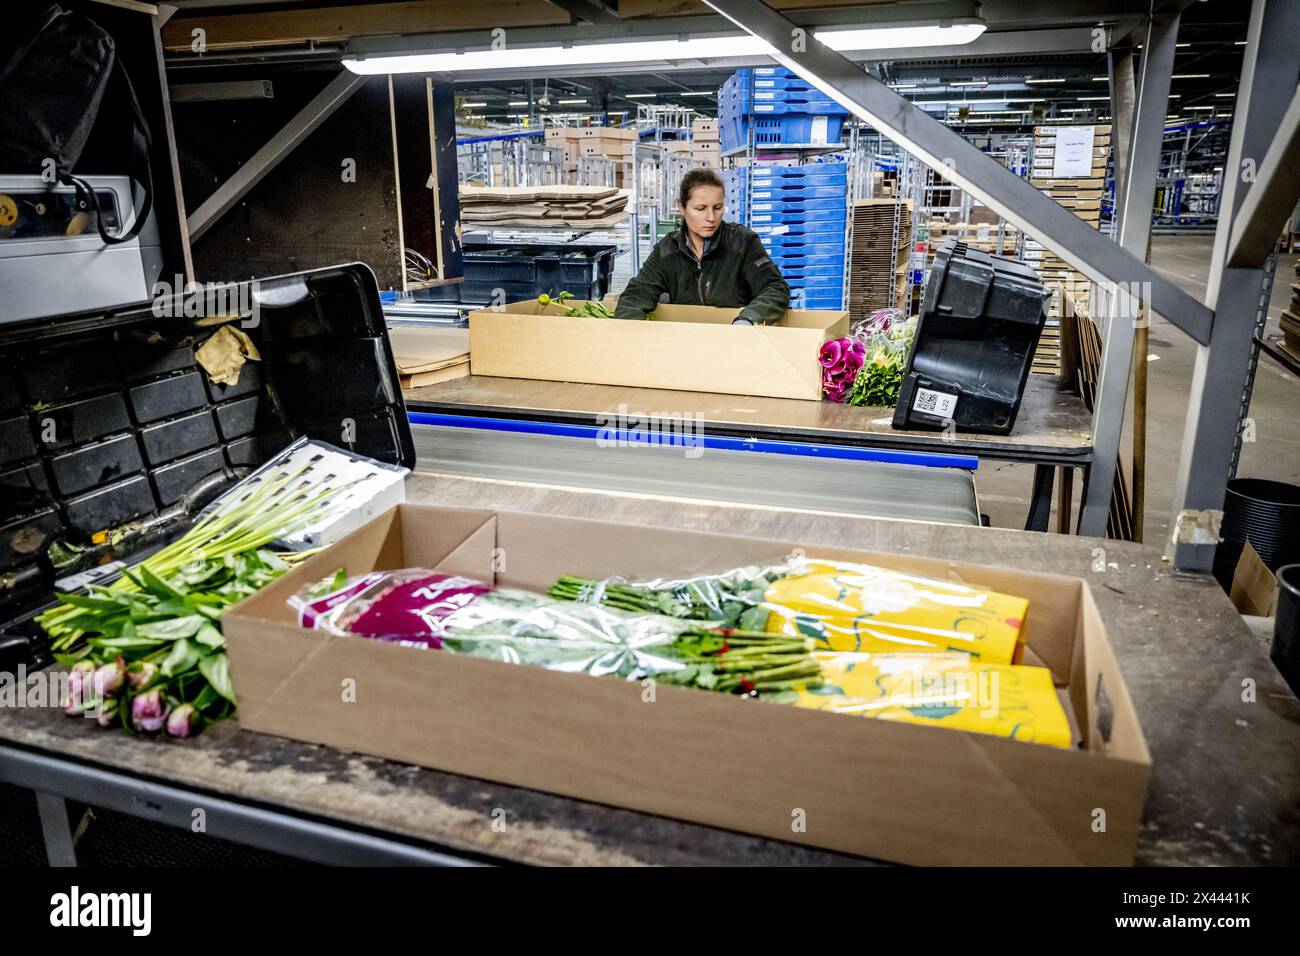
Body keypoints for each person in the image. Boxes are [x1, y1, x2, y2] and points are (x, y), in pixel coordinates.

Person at [614, 169, 790, 324]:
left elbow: (775, 288)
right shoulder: (667, 250)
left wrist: (748, 319)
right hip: (688, 342)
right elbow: (637, 294)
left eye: (717, 207)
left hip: (736, 341)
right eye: (700, 208)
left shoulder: (742, 243)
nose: (711, 217)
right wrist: (629, 332)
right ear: (682, 207)